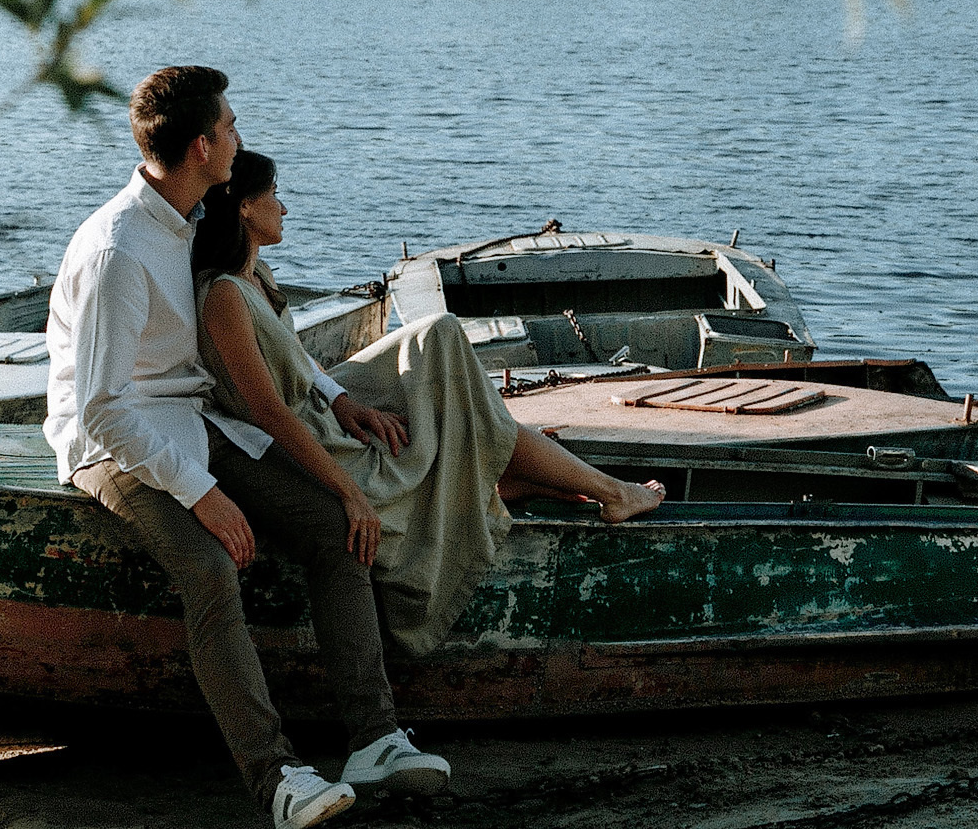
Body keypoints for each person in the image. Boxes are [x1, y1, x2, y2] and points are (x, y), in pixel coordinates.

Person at [43, 65, 441, 829]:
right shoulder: (117, 251)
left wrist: (336, 397)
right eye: (230, 126)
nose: (238, 138)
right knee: (209, 566)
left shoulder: (193, 221)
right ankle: (277, 776)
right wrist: (202, 492)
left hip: (195, 420)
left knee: (336, 526)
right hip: (112, 443)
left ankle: (373, 739)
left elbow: (266, 329)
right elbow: (102, 409)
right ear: (200, 146)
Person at [192, 154, 664, 658]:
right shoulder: (224, 295)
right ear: (245, 207)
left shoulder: (257, 276)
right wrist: (348, 492)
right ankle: (608, 490)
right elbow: (269, 412)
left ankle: (496, 469)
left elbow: (296, 358)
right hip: (309, 430)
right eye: (274, 195)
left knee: (437, 335)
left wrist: (345, 400)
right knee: (465, 392)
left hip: (322, 402)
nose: (284, 208)